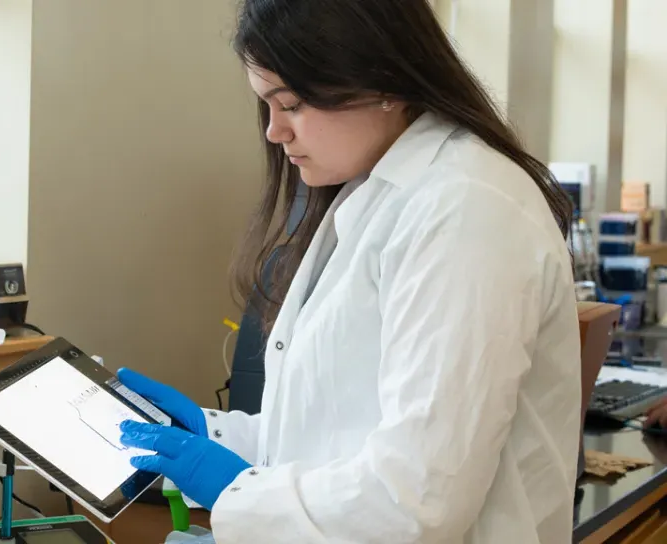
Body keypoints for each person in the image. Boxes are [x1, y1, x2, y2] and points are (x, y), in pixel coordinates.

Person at [117, 0, 582, 542]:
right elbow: (337, 436)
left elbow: (417, 500)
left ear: (379, 80)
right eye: (266, 106)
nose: (274, 132)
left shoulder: (465, 208)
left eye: (288, 104)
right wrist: (215, 439)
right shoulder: (373, 193)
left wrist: (231, 488)